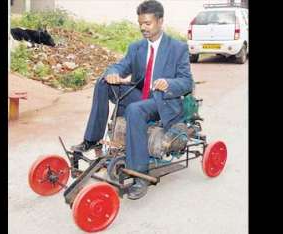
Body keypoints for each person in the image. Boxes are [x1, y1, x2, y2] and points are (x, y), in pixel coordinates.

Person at [72, 0, 193, 199]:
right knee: (103, 83)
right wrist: (112, 73)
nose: (143, 28)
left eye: (147, 23)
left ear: (160, 21)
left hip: (161, 100)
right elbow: (120, 66)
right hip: (139, 95)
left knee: (135, 110)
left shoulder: (177, 48)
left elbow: (187, 82)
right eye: (140, 24)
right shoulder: (136, 47)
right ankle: (91, 140)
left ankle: (140, 174)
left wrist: (169, 83)